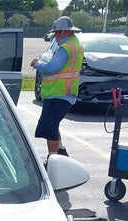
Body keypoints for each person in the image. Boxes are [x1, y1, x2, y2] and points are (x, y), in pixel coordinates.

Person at [30, 16, 84, 158]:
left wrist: (37, 64)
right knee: (53, 125)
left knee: (49, 127)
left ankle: (53, 159)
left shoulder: (66, 47)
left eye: (56, 33)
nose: (55, 36)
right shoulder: (75, 44)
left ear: (64, 32)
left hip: (59, 94)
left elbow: (52, 67)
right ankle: (60, 152)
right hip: (63, 92)